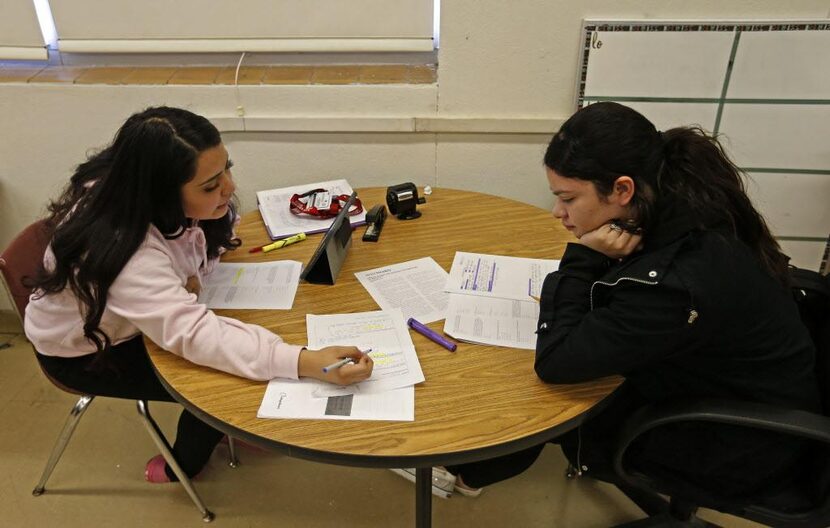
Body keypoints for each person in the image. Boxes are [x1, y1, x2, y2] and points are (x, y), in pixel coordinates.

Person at [406, 102, 821, 499]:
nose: (557, 212)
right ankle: (478, 469)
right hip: (740, 386)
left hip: (738, 446)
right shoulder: (685, 204)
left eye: (568, 198)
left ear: (623, 189)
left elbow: (557, 363)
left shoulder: (674, 284)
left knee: (540, 396)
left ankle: (466, 469)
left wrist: (584, 258)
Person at [24, 106, 373, 484]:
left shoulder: (134, 188)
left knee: (249, 342)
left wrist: (189, 273)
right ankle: (185, 464)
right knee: (215, 383)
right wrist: (307, 362)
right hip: (86, 351)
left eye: (227, 168)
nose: (230, 187)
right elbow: (196, 337)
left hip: (133, 314)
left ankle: (229, 427)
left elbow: (201, 243)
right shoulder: (124, 250)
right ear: (161, 195)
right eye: (210, 186)